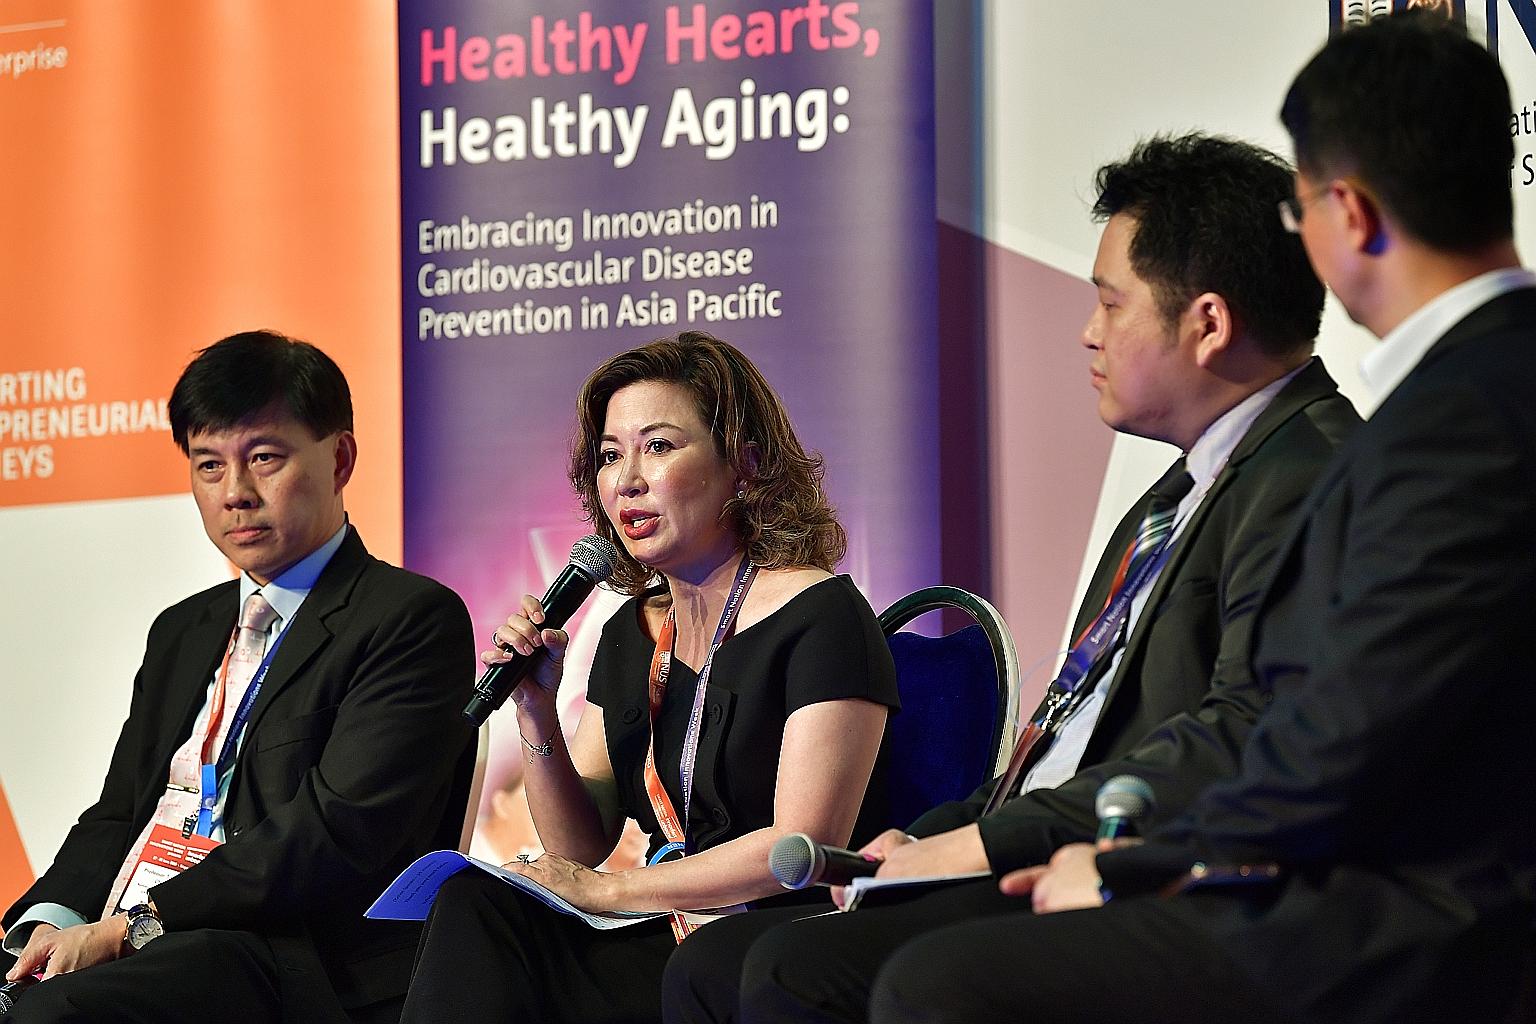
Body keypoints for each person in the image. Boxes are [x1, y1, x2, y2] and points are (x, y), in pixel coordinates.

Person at [854, 12, 1536, 1024]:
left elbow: (1341, 734)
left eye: (1301, 206)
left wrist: (1142, 864)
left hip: (1433, 913)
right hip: (1399, 869)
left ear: (1347, 212)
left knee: (937, 985)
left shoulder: (1448, 423)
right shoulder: (1468, 395)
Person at [663, 134, 1362, 1023]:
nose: (1089, 330)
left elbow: (1234, 737)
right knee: (716, 962)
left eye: (1110, 302)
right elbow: (1069, 733)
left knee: (795, 972)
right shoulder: (1179, 492)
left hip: (1142, 868)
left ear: (1209, 322)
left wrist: (977, 846)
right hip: (1038, 838)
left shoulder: (1311, 477)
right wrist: (929, 838)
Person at [397, 331, 900, 1023]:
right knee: (478, 903)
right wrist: (536, 713)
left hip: (772, 941)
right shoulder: (632, 630)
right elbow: (580, 844)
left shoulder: (821, 614)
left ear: (746, 464)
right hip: (661, 923)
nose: (627, 479)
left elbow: (802, 843)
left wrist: (613, 892)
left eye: (659, 446)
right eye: (610, 456)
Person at [0, 330, 477, 1023]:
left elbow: (331, 833)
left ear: (340, 458)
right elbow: (116, 814)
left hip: (277, 951)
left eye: (263, 458)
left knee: (51, 1016)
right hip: (137, 934)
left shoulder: (407, 619)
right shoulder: (183, 629)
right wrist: (48, 920)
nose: (236, 494)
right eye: (208, 466)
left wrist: (136, 925)